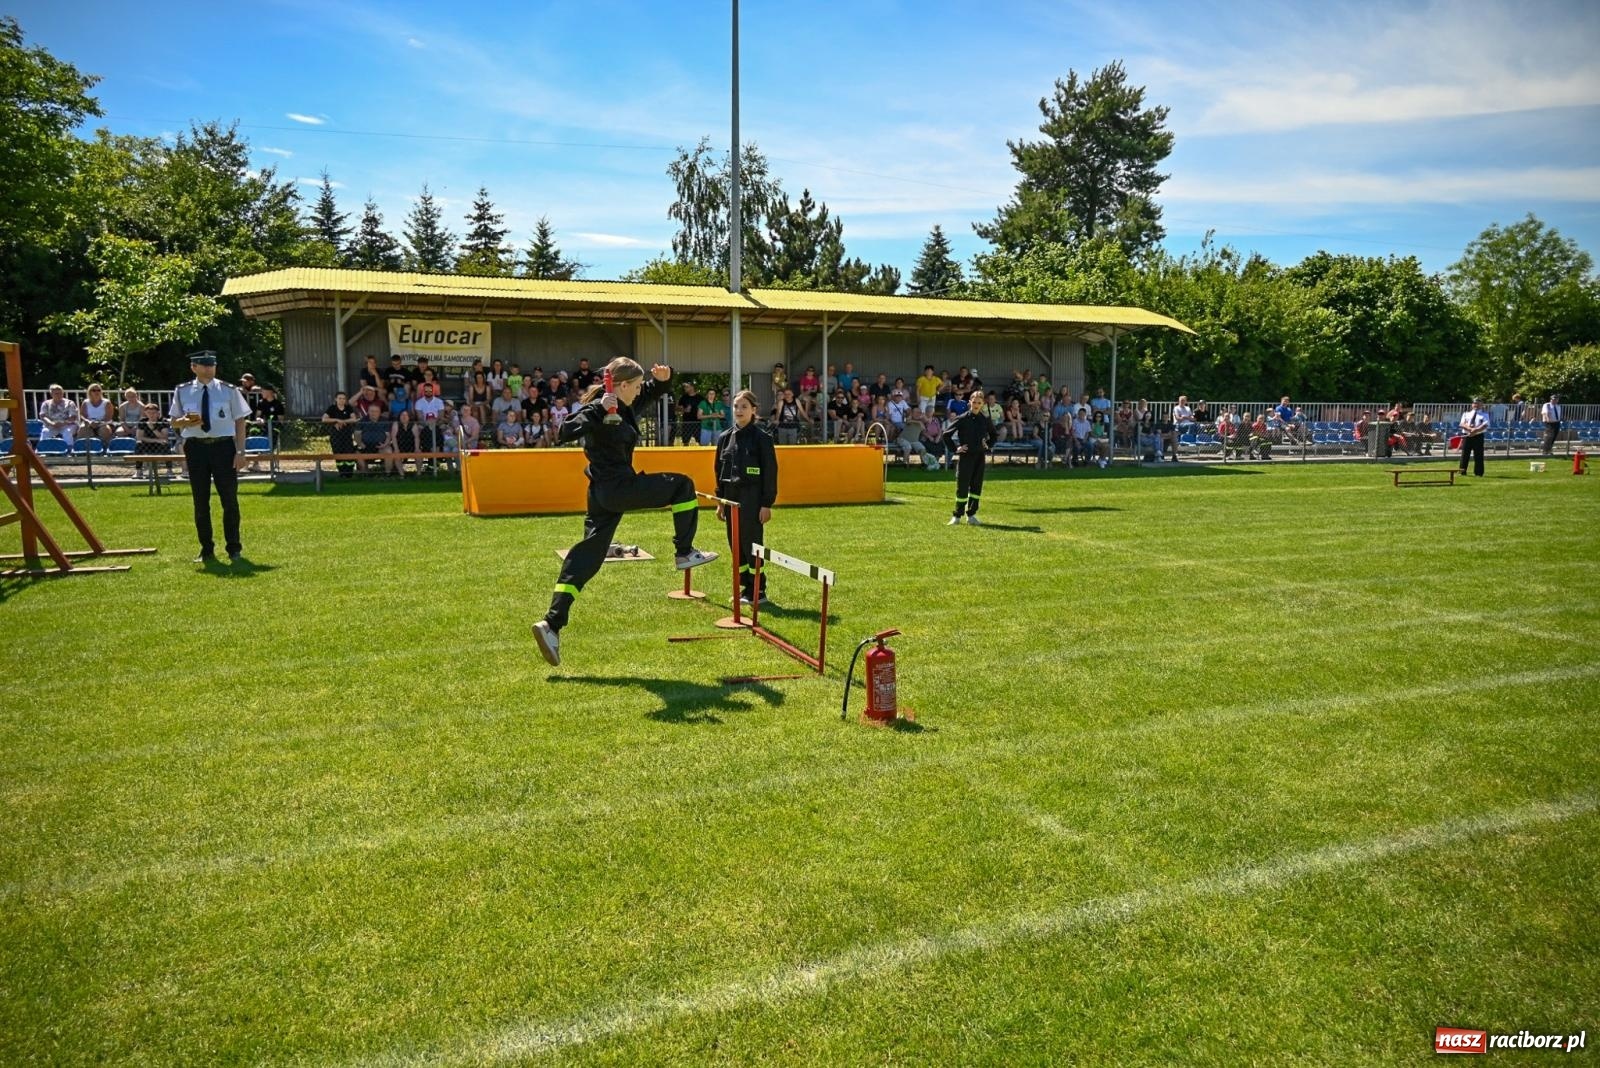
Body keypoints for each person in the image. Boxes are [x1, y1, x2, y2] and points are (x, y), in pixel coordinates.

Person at [531, 358, 718, 667]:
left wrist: (663, 380)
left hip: (602, 494)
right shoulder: (599, 408)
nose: (638, 391)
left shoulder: (627, 405)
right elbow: (565, 431)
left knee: (588, 556)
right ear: (622, 385)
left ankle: (551, 624)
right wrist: (601, 409)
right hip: (617, 487)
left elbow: (651, 392)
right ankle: (684, 552)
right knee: (683, 486)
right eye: (636, 385)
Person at [168, 351, 251, 563]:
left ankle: (234, 548)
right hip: (196, 448)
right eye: (204, 365)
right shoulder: (183, 391)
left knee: (230, 500)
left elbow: (240, 421)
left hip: (223, 447)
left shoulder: (228, 390)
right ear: (193, 367)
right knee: (200, 501)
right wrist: (185, 421)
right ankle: (206, 549)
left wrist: (241, 452)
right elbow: (173, 421)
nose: (209, 369)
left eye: (211, 365)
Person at [714, 389, 779, 605]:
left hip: (752, 501)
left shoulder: (762, 439)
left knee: (751, 545)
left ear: (754, 410)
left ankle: (759, 591)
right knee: (736, 546)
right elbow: (719, 472)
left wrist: (766, 504)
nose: (739, 410)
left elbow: (770, 473)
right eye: (736, 406)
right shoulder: (724, 438)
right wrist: (720, 502)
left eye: (744, 406)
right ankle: (745, 588)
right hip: (730, 500)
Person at [948, 389, 996, 525]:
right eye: (974, 402)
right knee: (962, 486)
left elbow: (994, 435)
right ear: (970, 402)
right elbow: (946, 435)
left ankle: (971, 515)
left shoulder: (985, 419)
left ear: (982, 404)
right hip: (966, 457)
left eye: (979, 402)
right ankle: (957, 516)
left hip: (979, 457)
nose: (976, 404)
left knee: (976, 486)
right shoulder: (963, 418)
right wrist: (956, 448)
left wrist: (988, 445)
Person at [322, 390, 360, 477]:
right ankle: (342, 473)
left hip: (347, 435)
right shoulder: (332, 408)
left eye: (343, 398)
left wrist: (343, 421)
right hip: (336, 435)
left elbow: (354, 419)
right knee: (338, 454)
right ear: (336, 399)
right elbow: (324, 419)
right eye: (340, 398)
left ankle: (349, 473)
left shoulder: (348, 408)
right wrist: (336, 420)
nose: (342, 400)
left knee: (348, 453)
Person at [1458, 396, 1489, 477]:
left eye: (1478, 403)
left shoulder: (1485, 415)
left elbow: (1485, 425)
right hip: (1467, 436)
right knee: (1464, 454)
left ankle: (1478, 473)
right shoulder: (1466, 414)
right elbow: (1462, 424)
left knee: (1478, 455)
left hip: (1478, 436)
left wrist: (1475, 431)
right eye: (1475, 403)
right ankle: (1462, 471)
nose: (1476, 405)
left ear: (1482, 404)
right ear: (1472, 404)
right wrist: (1470, 429)